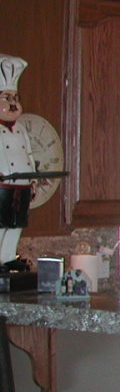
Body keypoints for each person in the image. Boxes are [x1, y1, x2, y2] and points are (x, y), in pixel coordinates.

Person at [0, 55, 34, 264]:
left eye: (15, 98)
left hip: (22, 184)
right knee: (1, 223)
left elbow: (28, 153)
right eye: (7, 98)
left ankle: (8, 257)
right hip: (3, 185)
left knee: (17, 223)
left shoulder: (21, 128)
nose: (13, 103)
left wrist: (33, 179)